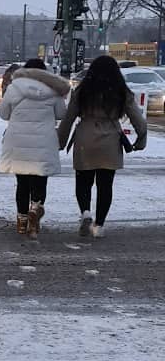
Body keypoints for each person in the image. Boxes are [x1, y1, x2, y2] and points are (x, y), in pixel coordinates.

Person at [57, 53, 147, 237]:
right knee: (105, 185)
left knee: (83, 181)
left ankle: (85, 213)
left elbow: (68, 118)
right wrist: (140, 140)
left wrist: (61, 141)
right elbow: (140, 122)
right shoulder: (122, 91)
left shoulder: (82, 91)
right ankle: (99, 225)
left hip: (85, 138)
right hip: (110, 140)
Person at [0, 57, 71, 236]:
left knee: (22, 183)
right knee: (40, 180)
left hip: (18, 140)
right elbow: (61, 114)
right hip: (44, 141)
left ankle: (22, 221)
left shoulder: (14, 88)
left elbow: (3, 114)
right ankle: (35, 209)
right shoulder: (53, 90)